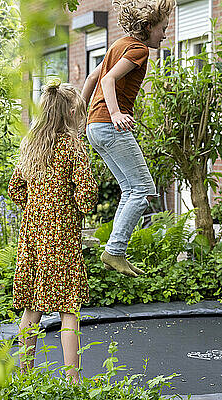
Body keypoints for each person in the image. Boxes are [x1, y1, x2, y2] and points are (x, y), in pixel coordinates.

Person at [8, 82, 98, 383]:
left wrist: (37, 205)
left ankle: (24, 378)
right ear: (71, 112)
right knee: (68, 310)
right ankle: (73, 383)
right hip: (62, 238)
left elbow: (15, 188)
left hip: (33, 236)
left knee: (32, 307)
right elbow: (86, 196)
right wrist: (68, 204)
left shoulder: (31, 144)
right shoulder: (72, 147)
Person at [81, 0, 174, 277]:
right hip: (110, 125)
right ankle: (115, 251)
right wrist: (116, 113)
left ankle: (116, 250)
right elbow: (107, 81)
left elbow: (91, 78)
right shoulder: (139, 48)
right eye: (163, 29)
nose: (165, 35)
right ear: (147, 27)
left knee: (131, 189)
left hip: (95, 127)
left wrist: (80, 115)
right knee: (144, 189)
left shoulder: (117, 44)